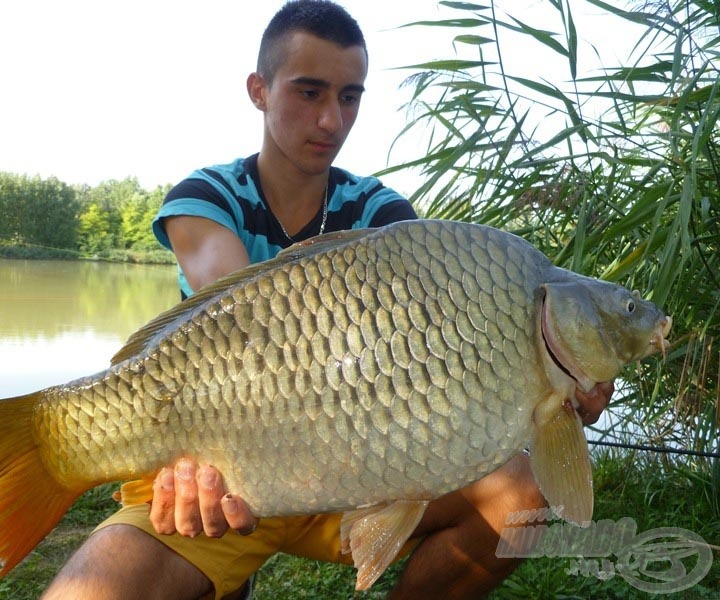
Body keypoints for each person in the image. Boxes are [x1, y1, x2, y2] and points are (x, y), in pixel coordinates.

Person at [43, 1, 612, 598]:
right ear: (259, 90)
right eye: (310, 92)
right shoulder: (207, 196)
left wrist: (549, 381)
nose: (331, 120)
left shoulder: (381, 216)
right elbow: (234, 312)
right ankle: (216, 571)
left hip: (359, 464)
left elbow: (438, 351)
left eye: (349, 97)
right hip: (232, 466)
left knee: (522, 495)